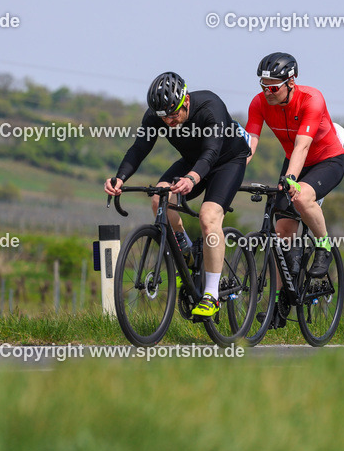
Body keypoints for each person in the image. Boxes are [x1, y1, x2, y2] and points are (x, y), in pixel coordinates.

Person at [105, 72, 251, 319]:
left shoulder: (210, 107)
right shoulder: (157, 116)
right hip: (193, 161)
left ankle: (211, 295)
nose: (169, 122)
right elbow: (140, 148)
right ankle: (186, 247)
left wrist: (193, 178)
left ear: (186, 101)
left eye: (174, 115)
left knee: (208, 217)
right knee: (159, 198)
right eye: (164, 118)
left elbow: (212, 151)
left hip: (227, 161)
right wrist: (120, 178)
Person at [245, 52, 344, 328]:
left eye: (273, 87)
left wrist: (290, 178)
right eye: (263, 86)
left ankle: (323, 244)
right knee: (282, 233)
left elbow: (302, 146)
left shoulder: (312, 99)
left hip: (327, 160)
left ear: (291, 81)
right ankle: (282, 297)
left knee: (301, 196)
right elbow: (249, 143)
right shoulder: (259, 103)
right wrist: (232, 170)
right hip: (294, 162)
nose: (267, 92)